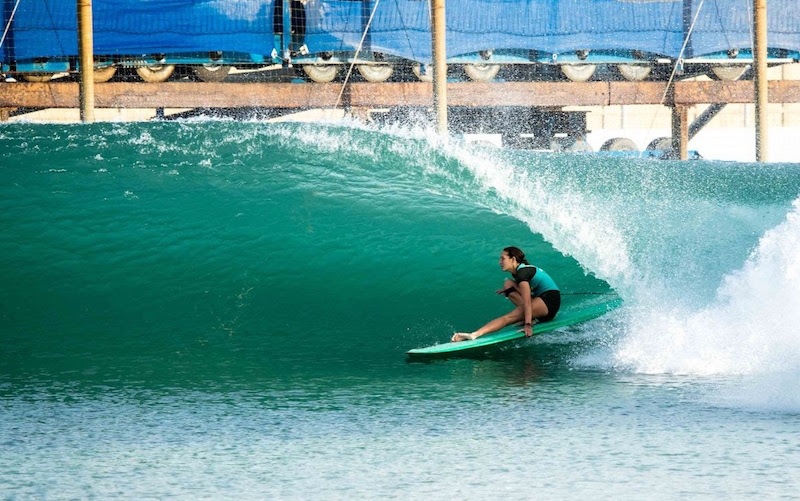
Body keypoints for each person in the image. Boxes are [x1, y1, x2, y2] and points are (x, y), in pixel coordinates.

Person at [452, 246, 561, 342]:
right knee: (508, 283)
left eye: (503, 258)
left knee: (507, 318)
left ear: (513, 259)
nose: (500, 262)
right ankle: (530, 318)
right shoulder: (522, 271)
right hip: (545, 298)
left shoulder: (522, 274)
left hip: (549, 302)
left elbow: (527, 302)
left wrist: (527, 325)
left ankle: (474, 335)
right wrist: (510, 290)